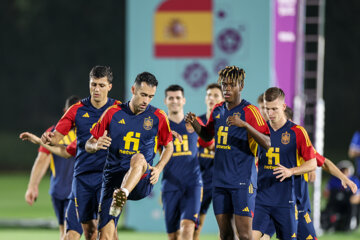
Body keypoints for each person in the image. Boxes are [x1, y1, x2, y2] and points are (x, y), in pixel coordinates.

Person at [185, 65, 271, 240]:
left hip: (242, 182)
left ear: (241, 86)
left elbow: (269, 143)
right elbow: (207, 135)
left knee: (245, 235)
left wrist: (245, 125)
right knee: (225, 235)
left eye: (231, 85)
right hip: (220, 182)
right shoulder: (218, 110)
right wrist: (195, 124)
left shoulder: (250, 111)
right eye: (224, 85)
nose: (227, 88)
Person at [85, 72, 174, 240]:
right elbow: (89, 143)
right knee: (104, 236)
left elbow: (169, 146)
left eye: (150, 96)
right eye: (143, 95)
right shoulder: (112, 113)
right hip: (113, 177)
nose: (146, 100)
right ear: (133, 90)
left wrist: (159, 167)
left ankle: (122, 195)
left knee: (138, 158)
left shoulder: (158, 117)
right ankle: (119, 196)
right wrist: (96, 145)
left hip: (141, 178)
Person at [41, 66, 120, 240]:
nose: (96, 89)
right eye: (93, 84)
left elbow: (142, 127)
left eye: (101, 85)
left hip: (109, 177)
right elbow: (57, 137)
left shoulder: (120, 109)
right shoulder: (76, 109)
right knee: (90, 231)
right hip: (83, 178)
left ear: (109, 86)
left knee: (107, 233)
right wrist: (49, 137)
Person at [252, 87, 317, 240]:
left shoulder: (297, 132)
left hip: (286, 202)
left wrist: (291, 171)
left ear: (283, 106)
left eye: (274, 109)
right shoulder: (259, 131)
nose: (270, 113)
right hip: (261, 199)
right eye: (267, 109)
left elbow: (312, 163)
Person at [20, 95, 82, 240]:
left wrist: (32, 186)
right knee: (70, 234)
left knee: (64, 233)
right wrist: (32, 186)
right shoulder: (86, 133)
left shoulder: (53, 132)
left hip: (59, 192)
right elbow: (43, 159)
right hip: (76, 192)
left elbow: (42, 159)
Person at [161, 85, 208, 240]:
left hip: (193, 184)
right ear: (165, 101)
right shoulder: (160, 127)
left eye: (178, 97)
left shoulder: (195, 123)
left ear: (184, 100)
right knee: (173, 236)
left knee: (187, 229)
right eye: (171, 98)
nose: (175, 101)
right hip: (170, 185)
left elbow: (210, 142)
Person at [194, 83, 224, 240]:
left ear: (222, 99)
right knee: (194, 227)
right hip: (200, 181)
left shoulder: (226, 123)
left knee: (226, 228)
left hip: (221, 180)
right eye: (209, 95)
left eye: (216, 95)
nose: (211, 98)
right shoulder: (196, 122)